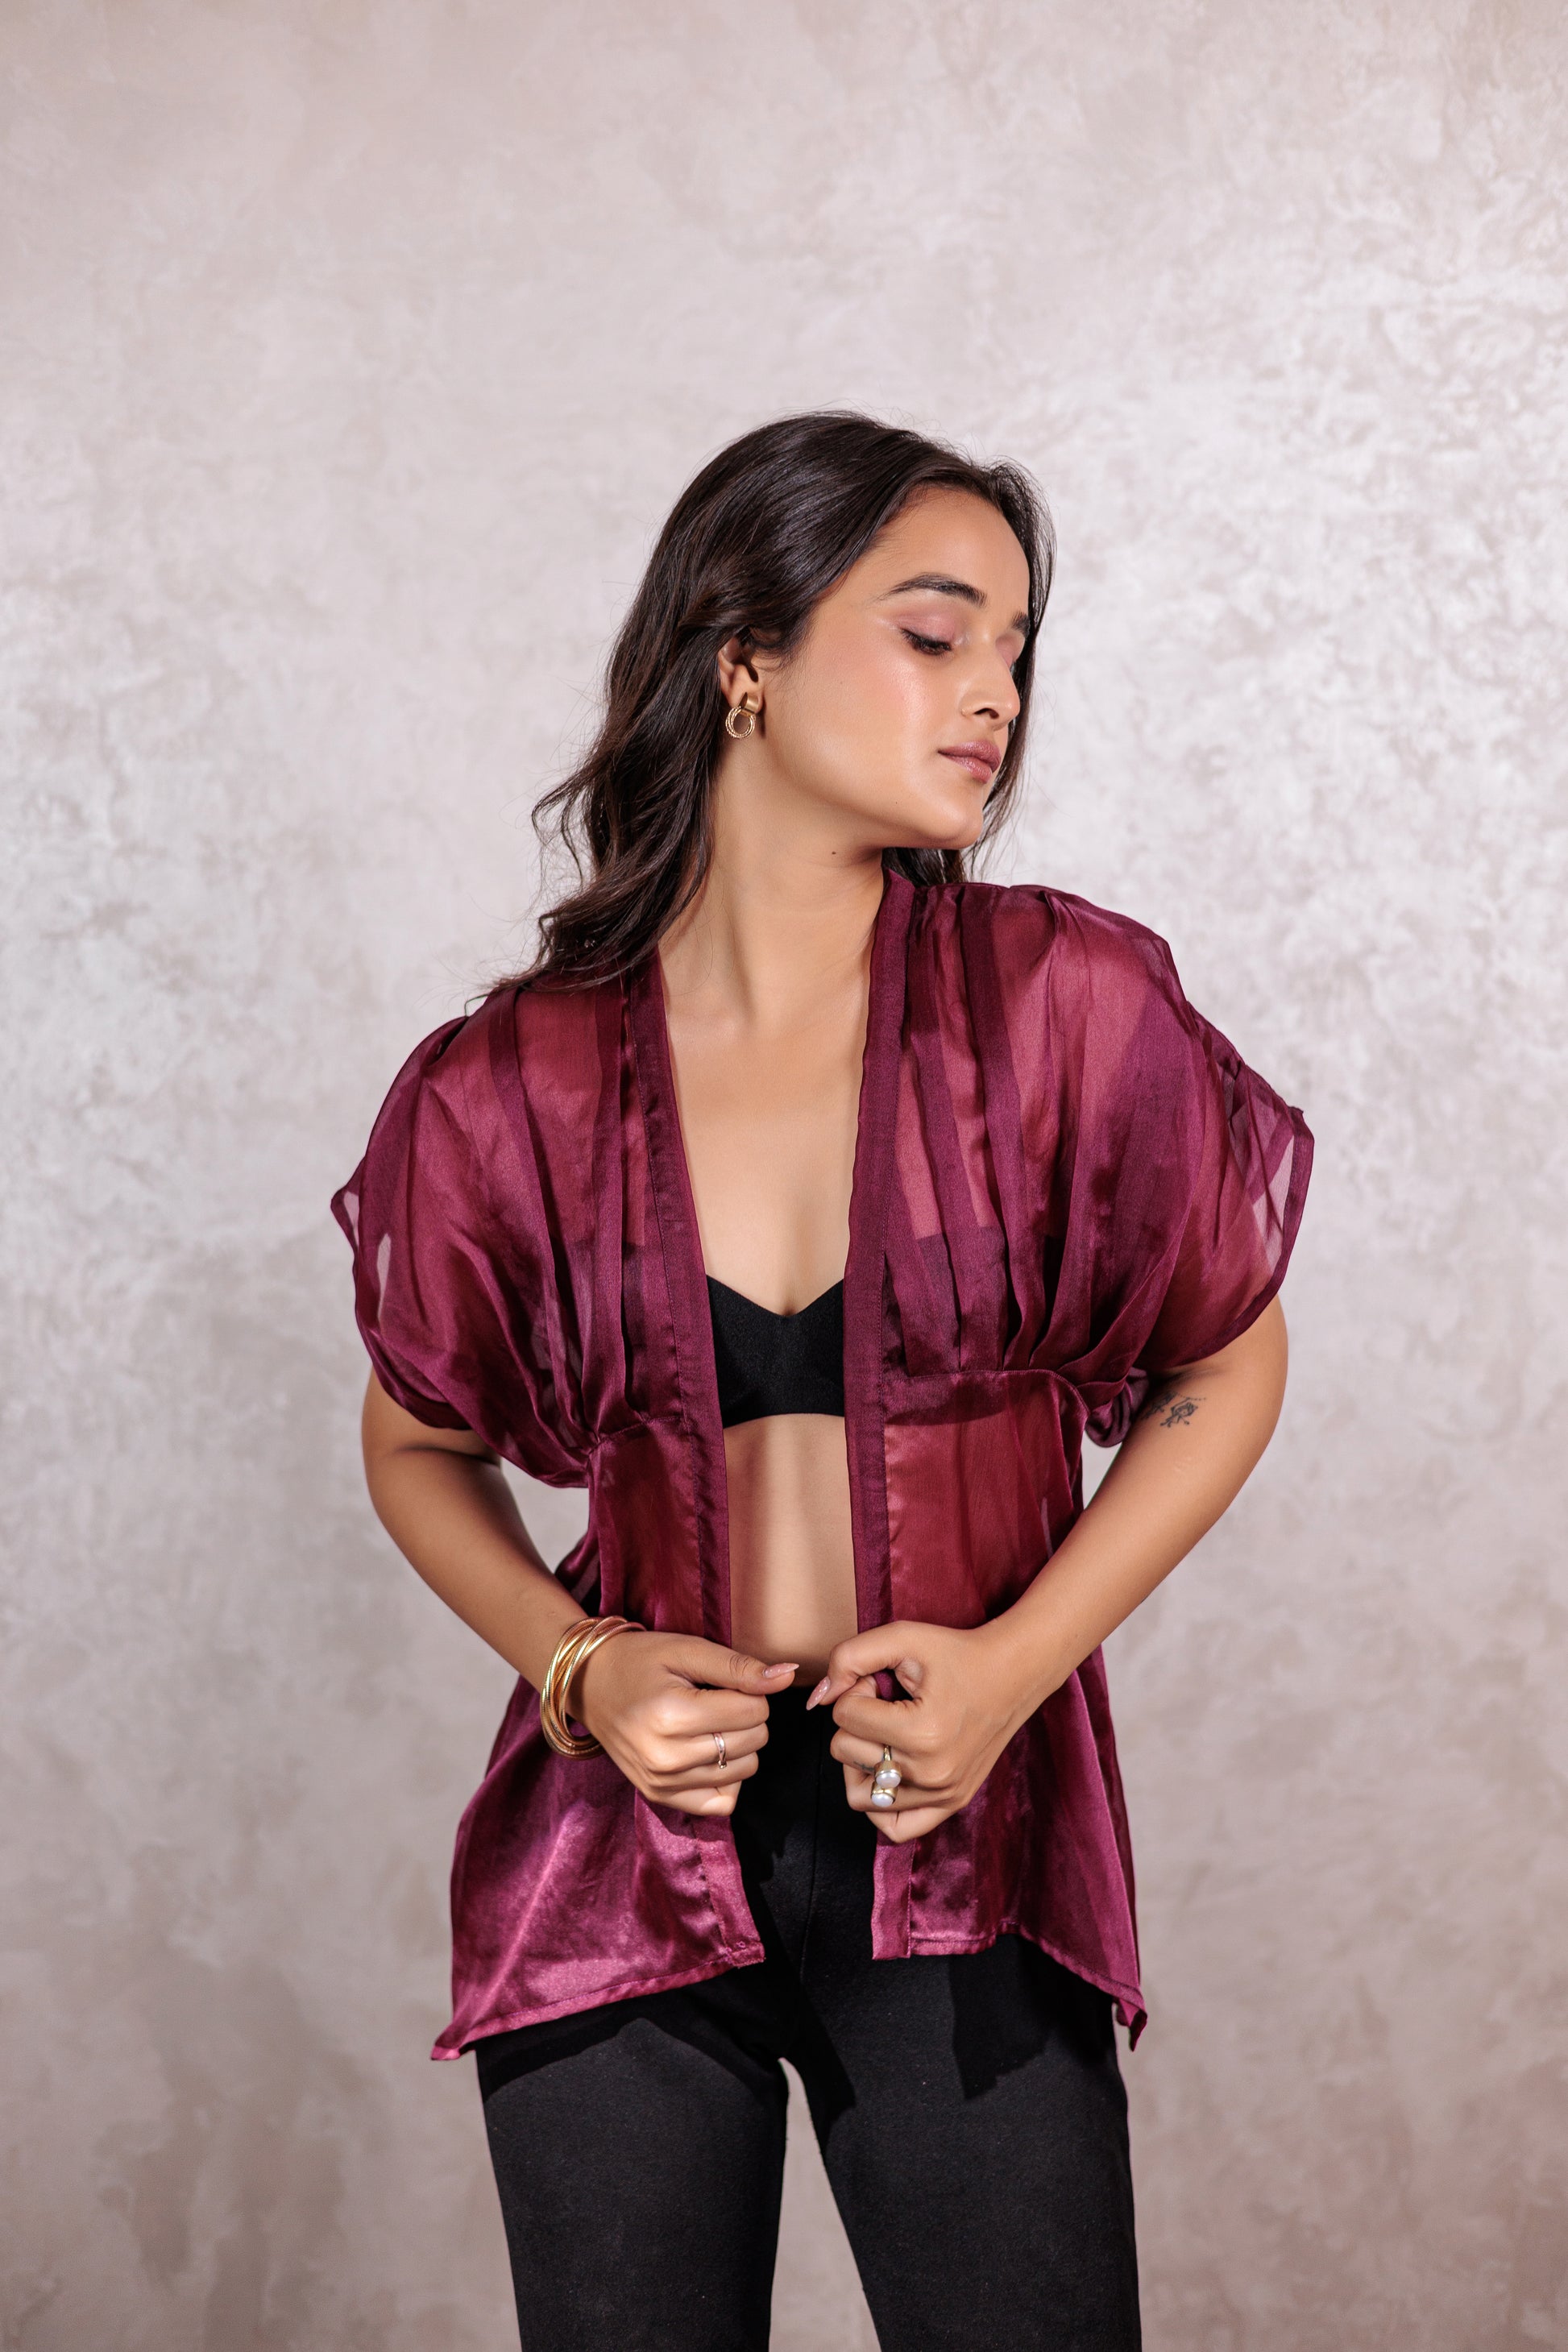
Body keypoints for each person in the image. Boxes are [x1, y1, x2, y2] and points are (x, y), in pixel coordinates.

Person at [333, 410, 1312, 2352]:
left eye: (1015, 649)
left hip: (957, 1835)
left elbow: (1225, 1355)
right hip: (619, 1857)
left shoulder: (1062, 1001)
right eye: (936, 634)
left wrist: (1012, 1668)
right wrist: (578, 1666)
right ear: (745, 659)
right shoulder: (505, 1080)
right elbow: (416, 1440)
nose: (995, 694)